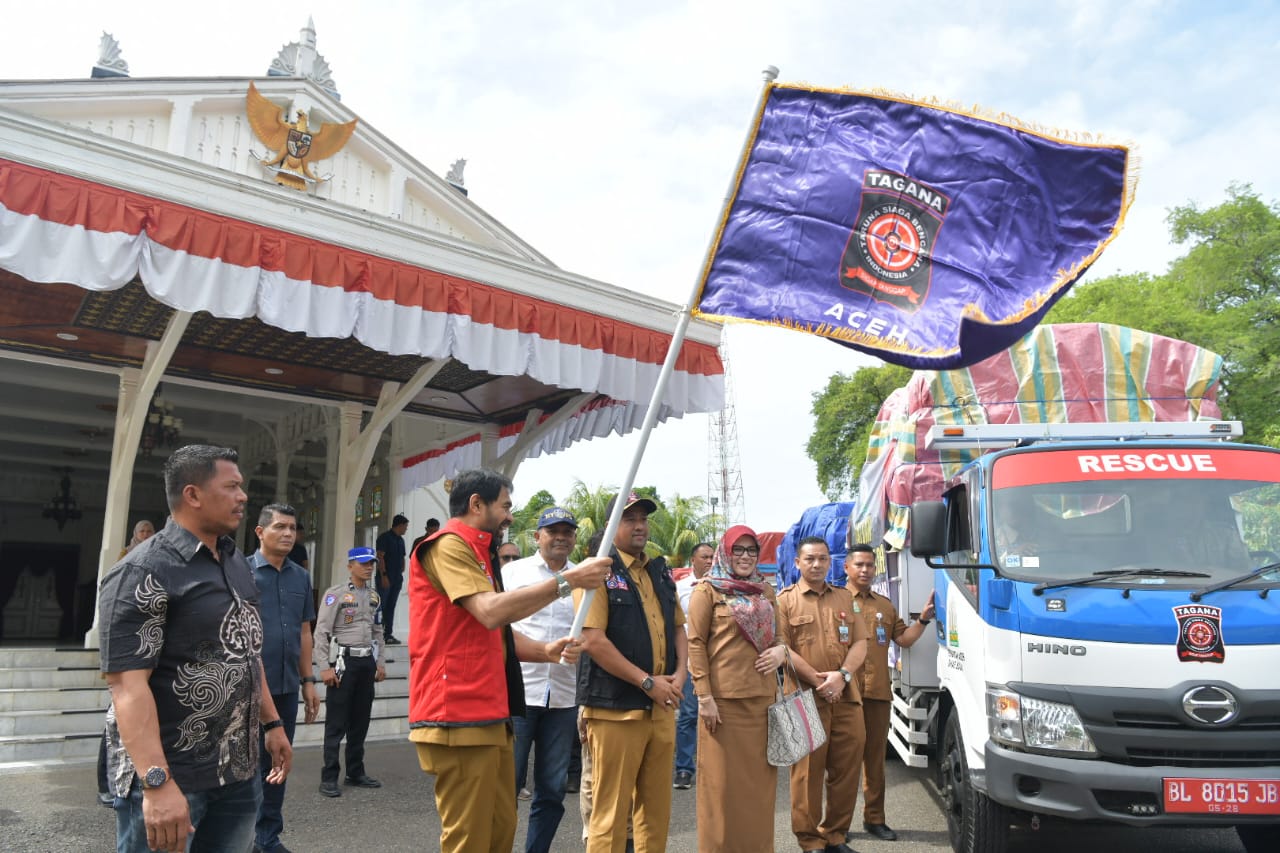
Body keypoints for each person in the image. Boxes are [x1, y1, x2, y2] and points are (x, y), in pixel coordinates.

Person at [98, 444, 291, 853]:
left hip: (238, 774)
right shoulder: (143, 571)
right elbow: (128, 687)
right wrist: (157, 782)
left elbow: (245, 653)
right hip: (173, 777)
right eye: (233, 486)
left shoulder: (236, 562)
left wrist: (272, 724)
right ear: (193, 495)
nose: (243, 497)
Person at [408, 468, 612, 852]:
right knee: (470, 838)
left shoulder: (479, 552)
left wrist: (544, 652)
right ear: (476, 504)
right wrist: (569, 581)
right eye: (505, 506)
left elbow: (492, 633)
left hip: (490, 712)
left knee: (499, 829)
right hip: (458, 714)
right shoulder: (448, 545)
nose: (510, 515)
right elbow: (489, 612)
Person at [577, 491, 687, 853]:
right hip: (615, 711)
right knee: (609, 814)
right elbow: (593, 641)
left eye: (643, 518)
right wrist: (646, 681)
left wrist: (681, 674)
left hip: (661, 708)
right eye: (629, 519)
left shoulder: (658, 570)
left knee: (656, 813)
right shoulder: (596, 570)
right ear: (611, 526)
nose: (640, 526)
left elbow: (678, 628)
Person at [686, 526, 787, 852]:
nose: (745, 557)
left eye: (751, 551)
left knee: (758, 792)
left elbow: (781, 638)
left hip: (762, 705)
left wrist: (780, 651)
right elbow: (695, 644)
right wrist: (704, 696)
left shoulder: (766, 592)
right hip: (723, 708)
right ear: (725, 553)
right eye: (738, 550)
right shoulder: (707, 591)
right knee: (721, 791)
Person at [775, 536, 870, 853]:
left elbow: (860, 643)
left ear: (830, 562)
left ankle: (835, 835)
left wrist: (841, 677)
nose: (817, 564)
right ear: (798, 563)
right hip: (803, 698)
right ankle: (810, 840)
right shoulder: (784, 601)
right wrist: (819, 681)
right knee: (806, 774)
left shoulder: (845, 599)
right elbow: (782, 647)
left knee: (846, 770)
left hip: (845, 696)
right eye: (810, 559)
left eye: (823, 559)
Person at [504, 506, 583, 853]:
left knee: (552, 789)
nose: (561, 537)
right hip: (520, 692)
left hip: (564, 697)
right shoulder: (513, 573)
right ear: (537, 537)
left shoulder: (585, 578)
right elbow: (500, 627)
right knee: (506, 784)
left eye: (568, 531)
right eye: (553, 531)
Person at [847, 543, 935, 843]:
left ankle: (875, 819)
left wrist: (922, 620)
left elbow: (903, 639)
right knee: (843, 762)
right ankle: (837, 825)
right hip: (845, 695)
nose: (865, 570)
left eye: (870, 565)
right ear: (847, 568)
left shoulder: (885, 605)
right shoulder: (835, 602)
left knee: (874, 761)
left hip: (877, 693)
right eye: (859, 564)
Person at [250, 503, 321, 853]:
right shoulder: (241, 573)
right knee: (246, 765)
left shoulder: (300, 577)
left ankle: (268, 837)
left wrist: (308, 680)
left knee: (279, 761)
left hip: (286, 686)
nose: (289, 534)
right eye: (280, 527)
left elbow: (305, 631)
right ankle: (240, 836)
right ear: (260, 532)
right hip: (248, 690)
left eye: (292, 528)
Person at [313, 546, 386, 797]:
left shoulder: (374, 596)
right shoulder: (336, 595)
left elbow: (378, 631)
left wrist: (381, 663)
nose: (369, 567)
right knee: (337, 721)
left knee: (360, 719)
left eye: (372, 563)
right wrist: (324, 667)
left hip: (366, 662)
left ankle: (355, 771)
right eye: (364, 563)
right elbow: (321, 631)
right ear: (350, 566)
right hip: (344, 661)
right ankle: (329, 775)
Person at [99, 518, 158, 807]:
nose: (147, 535)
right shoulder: (127, 562)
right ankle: (107, 786)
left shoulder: (161, 563)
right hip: (126, 659)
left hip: (148, 663)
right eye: (142, 531)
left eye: (150, 531)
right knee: (115, 725)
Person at [672, 541, 714, 789]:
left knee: (719, 714)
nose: (709, 561)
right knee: (688, 715)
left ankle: (713, 767)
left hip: (718, 662)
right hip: (689, 662)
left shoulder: (723, 588)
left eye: (712, 557)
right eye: (704, 557)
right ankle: (684, 768)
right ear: (693, 561)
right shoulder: (680, 589)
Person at [376, 514, 409, 644]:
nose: (406, 529)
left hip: (396, 578)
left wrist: (402, 569)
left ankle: (388, 634)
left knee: (391, 606)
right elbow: (380, 557)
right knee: (381, 606)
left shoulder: (401, 540)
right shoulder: (384, 538)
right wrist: (383, 576)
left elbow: (402, 557)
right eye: (405, 526)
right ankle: (377, 633)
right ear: (399, 525)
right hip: (385, 578)